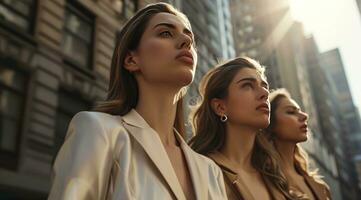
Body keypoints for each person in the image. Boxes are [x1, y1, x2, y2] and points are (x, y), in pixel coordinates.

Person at [48, 3, 227, 200]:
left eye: (190, 38)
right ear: (131, 60)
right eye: (166, 33)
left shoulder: (211, 171)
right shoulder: (99, 131)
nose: (186, 40)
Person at [189, 57, 296, 200]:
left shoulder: (274, 175)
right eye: (247, 86)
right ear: (220, 107)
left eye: (264, 86)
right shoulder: (200, 170)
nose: (264, 94)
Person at [265, 88, 331, 200]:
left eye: (300, 110)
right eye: (291, 112)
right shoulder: (261, 180)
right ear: (270, 124)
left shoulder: (321, 187)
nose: (305, 116)